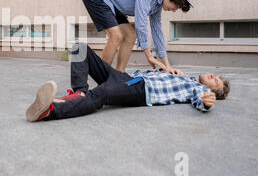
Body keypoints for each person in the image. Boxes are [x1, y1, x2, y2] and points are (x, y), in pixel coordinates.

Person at [25, 43, 230, 122]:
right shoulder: (184, 77)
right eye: (215, 75)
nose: (214, 76)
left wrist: (206, 101)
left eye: (217, 82)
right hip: (128, 78)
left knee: (102, 94)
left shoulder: (198, 88)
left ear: (214, 91)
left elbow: (200, 99)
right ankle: (79, 93)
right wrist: (169, 70)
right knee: (81, 49)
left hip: (141, 89)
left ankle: (49, 112)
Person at [81, 0, 194, 74]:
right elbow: (141, 21)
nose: (174, 11)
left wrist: (167, 66)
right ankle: (102, 80)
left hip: (113, 3)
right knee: (116, 36)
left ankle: (119, 76)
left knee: (130, 35)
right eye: (176, 6)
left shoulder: (158, 4)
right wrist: (149, 55)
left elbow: (157, 31)